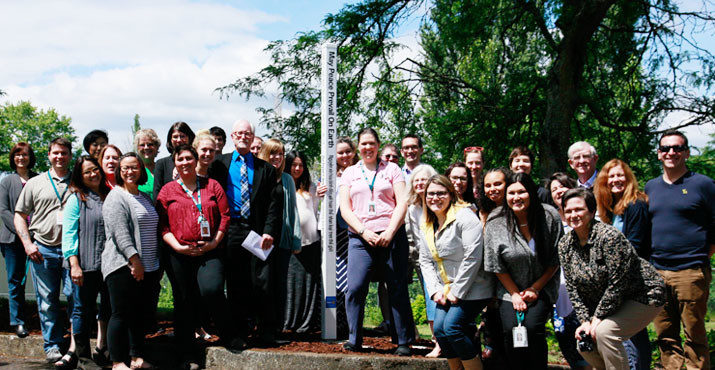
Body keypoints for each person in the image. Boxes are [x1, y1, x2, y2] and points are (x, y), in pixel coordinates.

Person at [559, 188, 665, 370]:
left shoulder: (609, 237)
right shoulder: (565, 244)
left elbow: (618, 283)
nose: (573, 214)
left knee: (605, 333)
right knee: (585, 343)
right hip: (611, 301)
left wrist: (597, 319)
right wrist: (585, 321)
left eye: (578, 209)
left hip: (644, 295)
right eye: (568, 211)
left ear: (592, 212)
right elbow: (573, 289)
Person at [339, 127, 415, 355]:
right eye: (363, 144)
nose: (367, 148)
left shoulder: (391, 169)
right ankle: (355, 338)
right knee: (354, 288)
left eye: (371, 143)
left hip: (391, 236)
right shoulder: (350, 173)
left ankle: (402, 340)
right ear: (358, 147)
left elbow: (402, 202)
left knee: (397, 287)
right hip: (361, 238)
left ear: (378, 145)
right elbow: (345, 209)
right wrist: (363, 231)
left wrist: (390, 232)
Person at [156, 145, 233, 368]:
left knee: (212, 289)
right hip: (179, 253)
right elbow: (162, 225)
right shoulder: (167, 191)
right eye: (180, 159)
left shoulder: (212, 185)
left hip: (209, 251)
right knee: (184, 300)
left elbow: (225, 217)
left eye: (189, 158)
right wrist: (178, 247)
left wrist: (214, 243)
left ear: (195, 159)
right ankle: (186, 354)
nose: (185, 163)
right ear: (175, 163)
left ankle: (228, 334)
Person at [645, 130, 714, 370]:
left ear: (686, 152)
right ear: (658, 154)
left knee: (694, 336)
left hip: (690, 272)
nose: (671, 153)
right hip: (657, 272)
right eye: (665, 148)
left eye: (677, 148)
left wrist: (701, 257)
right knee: (665, 336)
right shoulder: (650, 187)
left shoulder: (702, 184)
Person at [212, 119, 283, 349]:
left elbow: (274, 204)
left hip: (257, 232)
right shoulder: (219, 165)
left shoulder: (266, 169)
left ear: (253, 138)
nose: (243, 136)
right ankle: (240, 332)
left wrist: (269, 231)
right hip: (230, 230)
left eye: (248, 133)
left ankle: (266, 330)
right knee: (236, 283)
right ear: (232, 137)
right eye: (239, 133)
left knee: (262, 281)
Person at [484, 172, 562, 370]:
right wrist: (514, 294)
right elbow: (495, 264)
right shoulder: (496, 221)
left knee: (533, 328)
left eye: (522, 192)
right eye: (511, 193)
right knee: (512, 331)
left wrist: (536, 289)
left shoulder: (549, 216)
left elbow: (556, 257)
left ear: (532, 193)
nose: (516, 197)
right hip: (509, 289)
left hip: (542, 286)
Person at [418, 175, 494, 370]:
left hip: (475, 286)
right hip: (446, 288)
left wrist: (457, 291)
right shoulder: (427, 222)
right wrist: (435, 290)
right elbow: (425, 260)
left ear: (451, 195)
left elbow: (473, 257)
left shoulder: (465, 217)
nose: (435, 198)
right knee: (441, 332)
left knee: (452, 328)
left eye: (441, 193)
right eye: (431, 194)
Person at [14, 138, 74, 363]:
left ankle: (74, 343)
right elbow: (19, 215)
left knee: (73, 296)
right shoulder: (35, 183)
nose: (60, 157)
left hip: (71, 252)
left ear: (70, 155)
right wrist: (28, 244)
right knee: (47, 300)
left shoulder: (77, 182)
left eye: (64, 153)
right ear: (49, 155)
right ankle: (52, 345)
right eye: (56, 152)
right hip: (43, 250)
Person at [593, 159, 653, 369]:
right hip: (617, 278)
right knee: (628, 333)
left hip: (632, 279)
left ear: (628, 179)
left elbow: (634, 246)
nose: (616, 180)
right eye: (611, 176)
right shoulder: (611, 208)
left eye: (620, 176)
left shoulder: (636, 204)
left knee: (630, 332)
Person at [101, 153, 158, 370]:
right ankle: (117, 361)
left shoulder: (144, 196)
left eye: (134, 167)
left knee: (139, 315)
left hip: (148, 266)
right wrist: (135, 261)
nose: (129, 171)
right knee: (121, 314)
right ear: (119, 171)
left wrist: (149, 264)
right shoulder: (116, 196)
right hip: (122, 265)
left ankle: (137, 358)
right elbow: (120, 234)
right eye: (125, 168)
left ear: (141, 170)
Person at [62, 156, 112, 368]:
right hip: (84, 266)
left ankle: (105, 350)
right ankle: (83, 357)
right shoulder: (76, 198)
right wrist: (74, 264)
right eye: (87, 172)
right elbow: (69, 234)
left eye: (95, 170)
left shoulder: (109, 195)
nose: (93, 174)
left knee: (109, 309)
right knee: (82, 310)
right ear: (79, 177)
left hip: (109, 265)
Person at [546, 172, 590, 370]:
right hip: (558, 291)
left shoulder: (584, 218)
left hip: (584, 292)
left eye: (562, 186)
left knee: (588, 343)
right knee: (565, 339)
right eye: (554, 189)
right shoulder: (549, 220)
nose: (559, 191)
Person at [257, 139, 301, 330]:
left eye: (280, 154)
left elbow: (293, 211)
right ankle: (259, 325)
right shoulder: (257, 176)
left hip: (282, 240)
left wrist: (295, 239)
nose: (276, 157)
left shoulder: (287, 179)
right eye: (273, 153)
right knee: (262, 283)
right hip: (260, 241)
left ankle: (277, 328)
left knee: (279, 284)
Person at [0, 142, 37, 339]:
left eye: (24, 155)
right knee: (15, 280)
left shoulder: (38, 179)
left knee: (42, 281)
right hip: (12, 239)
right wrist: (22, 233)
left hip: (38, 238)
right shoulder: (6, 181)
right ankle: (18, 321)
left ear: (30, 157)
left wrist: (33, 234)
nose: (21, 158)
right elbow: (4, 211)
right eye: (17, 155)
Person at [283, 150, 322, 333]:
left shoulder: (311, 187)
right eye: (294, 164)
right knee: (292, 285)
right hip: (292, 245)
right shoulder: (282, 184)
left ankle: (308, 322)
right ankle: (289, 322)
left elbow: (314, 211)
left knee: (310, 283)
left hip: (312, 242)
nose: (297, 168)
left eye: (300, 165)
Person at [335, 136, 358, 338]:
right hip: (336, 234)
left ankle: (354, 326)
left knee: (353, 281)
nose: (344, 156)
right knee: (337, 280)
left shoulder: (362, 173)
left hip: (356, 232)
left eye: (347, 152)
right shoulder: (329, 176)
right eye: (340, 152)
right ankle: (338, 324)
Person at [153, 121, 196, 201]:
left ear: (189, 137)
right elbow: (157, 194)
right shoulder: (161, 164)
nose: (179, 140)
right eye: (175, 137)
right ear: (170, 139)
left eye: (182, 136)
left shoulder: (197, 161)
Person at [134, 129, 161, 199]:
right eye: (142, 145)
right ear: (137, 148)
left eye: (150, 144)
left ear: (157, 146)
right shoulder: (134, 171)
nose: (146, 147)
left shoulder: (162, 169)